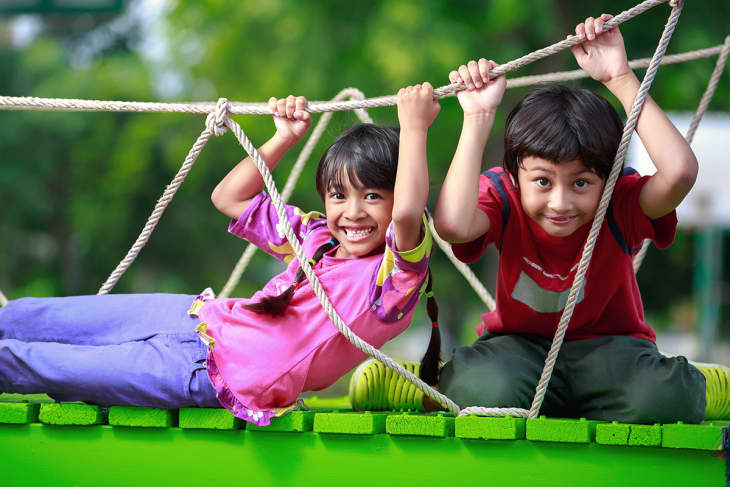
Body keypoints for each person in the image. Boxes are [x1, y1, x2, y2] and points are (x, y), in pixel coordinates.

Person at [350, 15, 729, 423]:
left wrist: (619, 77)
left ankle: (700, 384)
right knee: (479, 393)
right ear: (515, 176)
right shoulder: (504, 195)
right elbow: (454, 226)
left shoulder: (618, 201)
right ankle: (428, 384)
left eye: (581, 183)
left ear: (607, 177)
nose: (561, 202)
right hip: (516, 350)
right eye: (543, 182)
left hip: (612, 350)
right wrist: (477, 117)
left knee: (663, 399)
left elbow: (679, 174)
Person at [0, 83, 442, 426]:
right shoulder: (316, 237)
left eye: (372, 196)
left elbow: (406, 212)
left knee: (43, 365)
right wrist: (282, 138)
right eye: (338, 195)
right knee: (40, 319)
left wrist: (415, 129)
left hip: (208, 376)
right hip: (196, 318)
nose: (352, 212)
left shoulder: (392, 283)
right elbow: (229, 197)